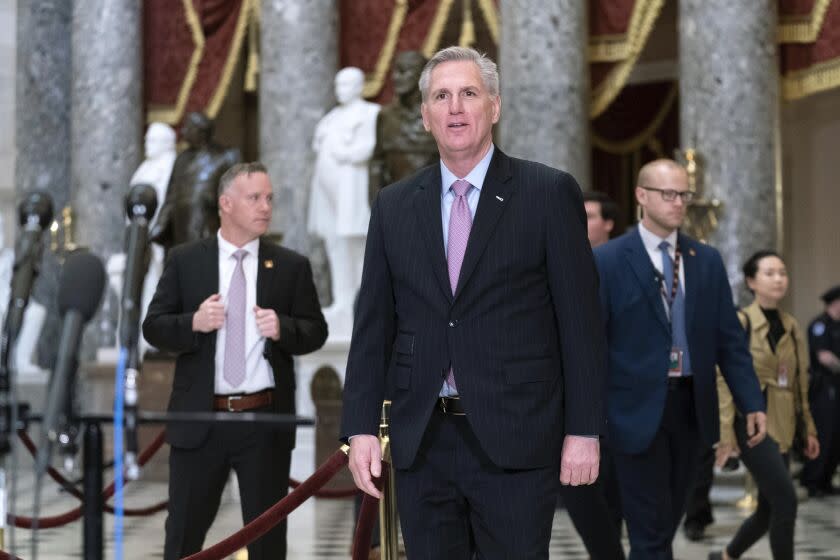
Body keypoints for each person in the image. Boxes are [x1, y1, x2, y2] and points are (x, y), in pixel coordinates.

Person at [341, 46, 607, 559]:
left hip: (516, 439)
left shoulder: (547, 192)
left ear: (495, 106)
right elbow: (373, 324)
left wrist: (584, 429)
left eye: (468, 93)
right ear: (424, 115)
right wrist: (358, 427)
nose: (455, 107)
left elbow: (581, 324)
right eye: (441, 96)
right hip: (423, 442)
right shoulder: (394, 205)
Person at [143, 162, 328, 560]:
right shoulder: (186, 260)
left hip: (262, 423)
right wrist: (193, 322)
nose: (265, 207)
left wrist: (284, 329)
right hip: (200, 422)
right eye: (254, 198)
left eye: (269, 198)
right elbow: (153, 327)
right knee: (182, 538)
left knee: (267, 544)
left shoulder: (291, 266)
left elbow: (316, 331)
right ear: (226, 204)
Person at [593, 159, 767, 560]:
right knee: (649, 532)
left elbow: (729, 340)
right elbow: (593, 344)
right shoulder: (610, 260)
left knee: (666, 522)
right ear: (641, 196)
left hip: (691, 408)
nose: (678, 203)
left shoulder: (704, 259)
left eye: (683, 195)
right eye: (667, 194)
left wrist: (751, 402)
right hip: (632, 412)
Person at [711, 250, 819, 560]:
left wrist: (807, 428)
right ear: (751, 281)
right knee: (786, 500)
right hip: (751, 423)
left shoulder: (792, 325)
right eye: (769, 273)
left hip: (784, 423)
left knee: (769, 507)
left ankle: (727, 556)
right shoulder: (741, 321)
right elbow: (724, 381)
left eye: (782, 273)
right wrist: (726, 434)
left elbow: (799, 383)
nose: (778, 279)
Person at [308, 67, 380, 338]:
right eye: (338, 84)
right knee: (335, 246)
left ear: (360, 86)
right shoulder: (331, 118)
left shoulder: (370, 114)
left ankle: (362, 305)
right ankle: (342, 301)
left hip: (353, 191)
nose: (341, 90)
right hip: (327, 196)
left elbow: (369, 148)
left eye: (347, 84)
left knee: (359, 250)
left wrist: (344, 152)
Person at [151, 111, 241, 251]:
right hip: (181, 228)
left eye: (188, 127)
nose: (184, 131)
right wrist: (160, 226)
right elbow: (171, 197)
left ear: (201, 132)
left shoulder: (225, 157)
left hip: (208, 227)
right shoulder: (182, 159)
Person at [368, 50, 439, 204]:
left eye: (403, 71)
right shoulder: (386, 116)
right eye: (395, 71)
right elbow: (377, 164)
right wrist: (377, 204)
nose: (395, 77)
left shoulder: (441, 117)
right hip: (395, 205)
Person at [800, 284, 840, 497]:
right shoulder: (820, 325)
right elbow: (824, 357)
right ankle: (812, 480)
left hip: (838, 385)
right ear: (835, 303)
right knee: (824, 432)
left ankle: (826, 480)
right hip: (824, 387)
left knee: (836, 436)